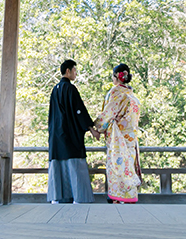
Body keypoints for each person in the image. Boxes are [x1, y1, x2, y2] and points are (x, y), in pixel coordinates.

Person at [47, 59, 100, 204]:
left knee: (58, 165)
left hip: (56, 135)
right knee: (75, 164)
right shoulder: (70, 89)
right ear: (68, 71)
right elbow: (79, 111)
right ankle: (79, 197)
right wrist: (92, 129)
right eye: (74, 70)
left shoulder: (55, 89)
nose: (76, 73)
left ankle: (57, 197)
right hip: (69, 134)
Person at [95, 63, 142, 204]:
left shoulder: (116, 92)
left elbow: (108, 114)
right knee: (128, 165)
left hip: (118, 136)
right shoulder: (132, 96)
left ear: (116, 77)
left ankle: (118, 196)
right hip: (131, 136)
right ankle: (130, 196)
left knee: (117, 165)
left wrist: (97, 127)